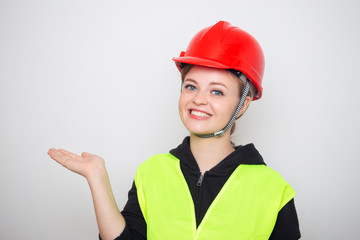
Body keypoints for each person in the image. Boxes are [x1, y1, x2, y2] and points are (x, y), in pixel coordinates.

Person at [48, 21, 301, 240]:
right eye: (191, 86)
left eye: (217, 91)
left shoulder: (274, 191)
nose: (199, 100)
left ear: (242, 103)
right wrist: (97, 178)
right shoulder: (151, 172)